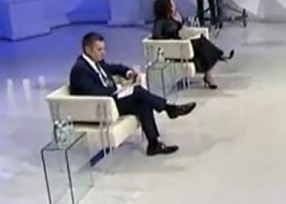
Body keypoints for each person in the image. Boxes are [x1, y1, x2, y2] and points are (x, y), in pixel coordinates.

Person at [69, 32, 197, 156]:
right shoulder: (80, 69)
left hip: (112, 99)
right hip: (102, 106)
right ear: (88, 49)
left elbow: (115, 68)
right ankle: (169, 108)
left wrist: (128, 73)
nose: (103, 52)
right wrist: (119, 88)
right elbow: (92, 92)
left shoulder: (97, 62)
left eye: (104, 49)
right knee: (138, 92)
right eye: (99, 49)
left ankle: (154, 144)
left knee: (143, 102)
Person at [152, 0, 235, 90]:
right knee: (201, 43)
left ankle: (210, 74)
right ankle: (218, 60)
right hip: (176, 48)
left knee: (202, 46)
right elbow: (156, 36)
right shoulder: (160, 22)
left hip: (183, 45)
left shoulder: (171, 19)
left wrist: (177, 18)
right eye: (172, 5)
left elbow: (180, 27)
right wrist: (171, 37)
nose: (174, 7)